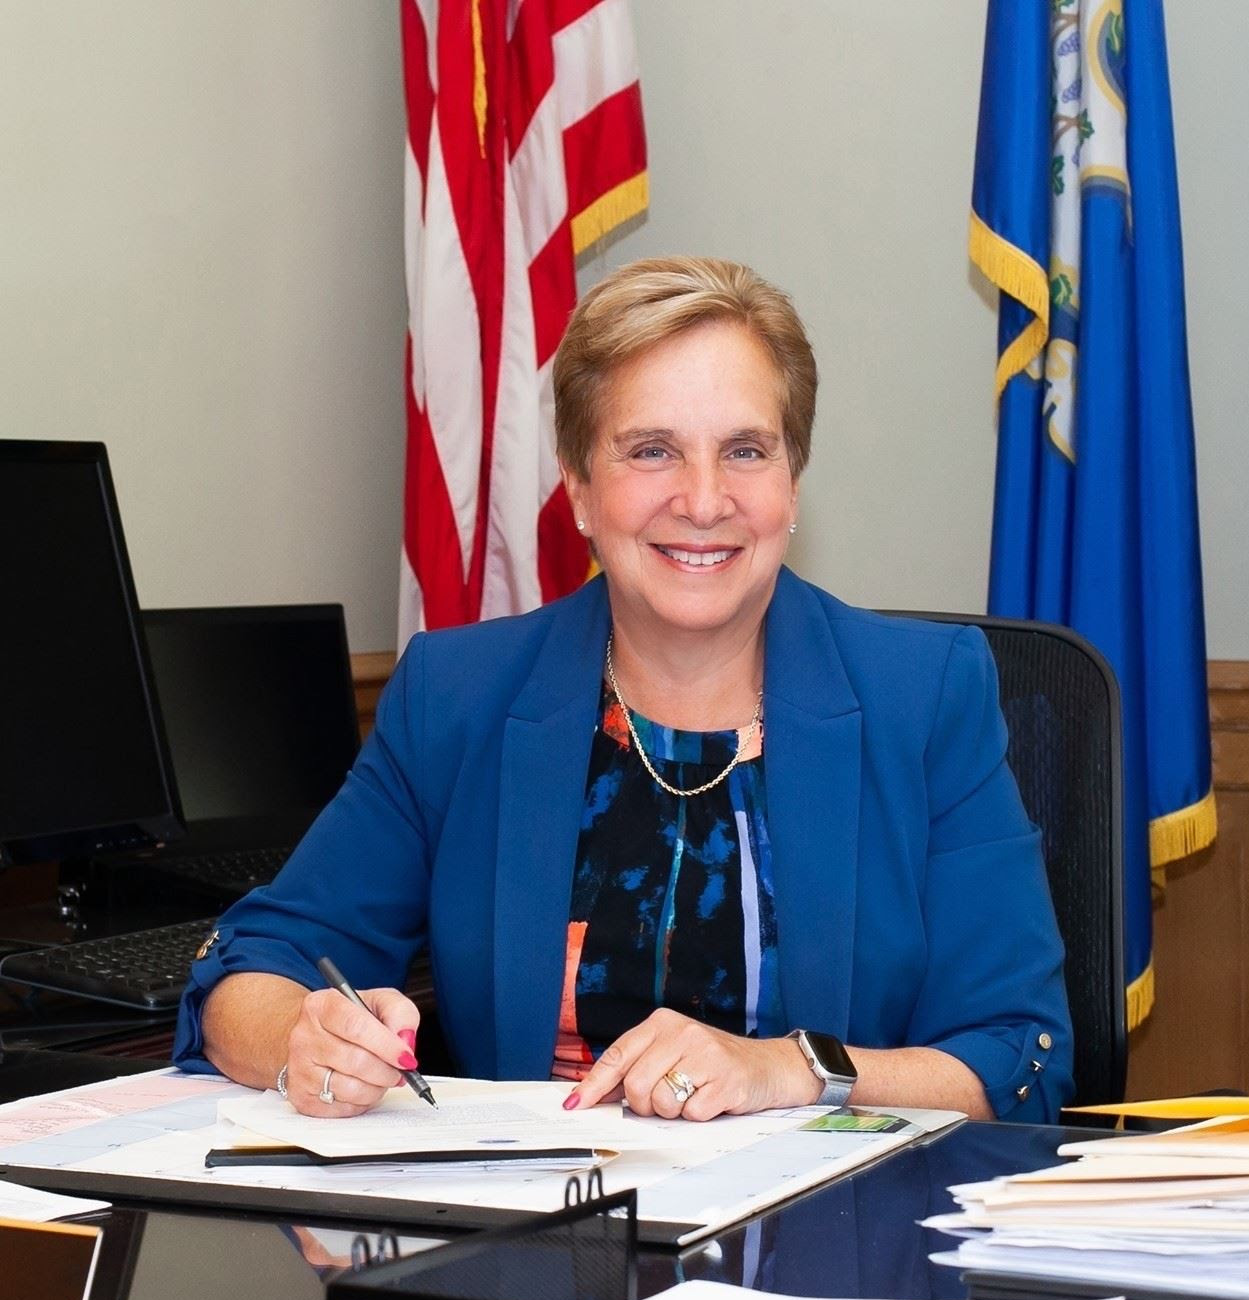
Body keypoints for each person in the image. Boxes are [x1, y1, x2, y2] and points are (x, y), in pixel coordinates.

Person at [173, 256, 1073, 1124]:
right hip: (538, 1245)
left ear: (791, 483)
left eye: (746, 451)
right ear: (577, 485)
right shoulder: (458, 696)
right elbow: (252, 966)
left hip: (829, 1245)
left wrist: (792, 1068)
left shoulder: (923, 697)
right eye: (651, 451)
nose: (704, 498)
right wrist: (305, 1040)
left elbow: (1015, 1053)